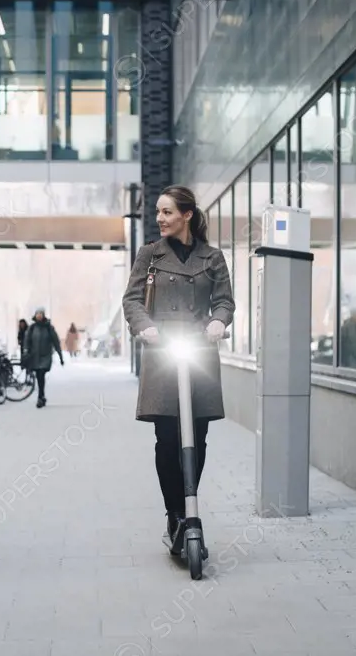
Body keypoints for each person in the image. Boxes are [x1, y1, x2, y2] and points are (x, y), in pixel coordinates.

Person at [121, 184, 234, 550]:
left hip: (198, 352)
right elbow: (132, 300)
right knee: (167, 441)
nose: (160, 219)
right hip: (162, 353)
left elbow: (225, 302)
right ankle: (176, 513)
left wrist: (218, 322)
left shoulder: (212, 257)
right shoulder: (149, 255)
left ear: (187, 215)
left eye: (167, 212)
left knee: (197, 439)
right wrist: (145, 327)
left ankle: (188, 508)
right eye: (157, 212)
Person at [22, 307, 64, 408]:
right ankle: (42, 396)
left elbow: (56, 342)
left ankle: (40, 397)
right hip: (35, 356)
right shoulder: (32, 328)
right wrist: (26, 350)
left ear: (43, 315)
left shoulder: (49, 328)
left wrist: (60, 356)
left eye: (41, 313)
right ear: (35, 315)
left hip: (45, 356)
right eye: (38, 314)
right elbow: (27, 341)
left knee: (41, 374)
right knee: (39, 376)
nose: (39, 315)